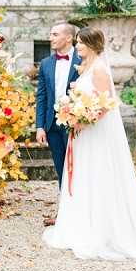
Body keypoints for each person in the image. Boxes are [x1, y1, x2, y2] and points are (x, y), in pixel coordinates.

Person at [43, 27, 136, 260]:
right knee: (83, 176)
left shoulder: (99, 68)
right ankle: (80, 224)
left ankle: (102, 229)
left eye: (80, 43)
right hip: (83, 134)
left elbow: (107, 104)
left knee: (96, 174)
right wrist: (73, 113)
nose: (77, 46)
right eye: (77, 43)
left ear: (90, 44)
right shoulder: (86, 66)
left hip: (94, 133)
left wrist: (83, 119)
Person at [35, 22, 81, 193]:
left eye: (55, 34)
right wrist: (40, 126)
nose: (50, 38)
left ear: (68, 38)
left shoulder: (83, 59)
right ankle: (66, 209)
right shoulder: (45, 63)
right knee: (61, 167)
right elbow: (42, 96)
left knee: (79, 166)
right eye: (50, 34)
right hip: (52, 124)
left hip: (77, 123)